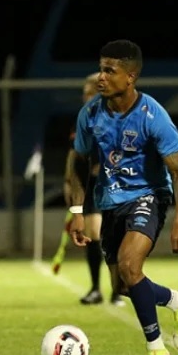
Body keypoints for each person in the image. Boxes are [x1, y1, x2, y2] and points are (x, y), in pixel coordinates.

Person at [67, 39, 178, 355]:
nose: (101, 77)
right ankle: (177, 300)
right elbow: (77, 162)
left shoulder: (153, 116)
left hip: (148, 195)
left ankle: (157, 350)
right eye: (101, 68)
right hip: (110, 202)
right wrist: (78, 210)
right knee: (123, 285)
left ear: (131, 76)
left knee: (129, 264)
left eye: (110, 71)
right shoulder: (90, 114)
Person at [51, 73, 125, 307]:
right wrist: (68, 180)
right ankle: (95, 289)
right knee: (93, 234)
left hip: (115, 184)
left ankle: (118, 289)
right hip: (91, 186)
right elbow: (74, 154)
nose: (85, 96)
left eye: (89, 92)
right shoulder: (83, 120)